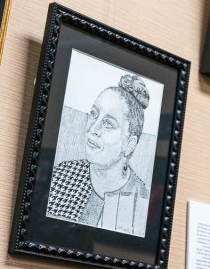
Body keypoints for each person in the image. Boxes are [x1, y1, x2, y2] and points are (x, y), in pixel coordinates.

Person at [45, 74, 151, 237]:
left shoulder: (143, 200)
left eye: (108, 123)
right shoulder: (61, 175)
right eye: (94, 114)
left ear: (129, 144)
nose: (93, 128)